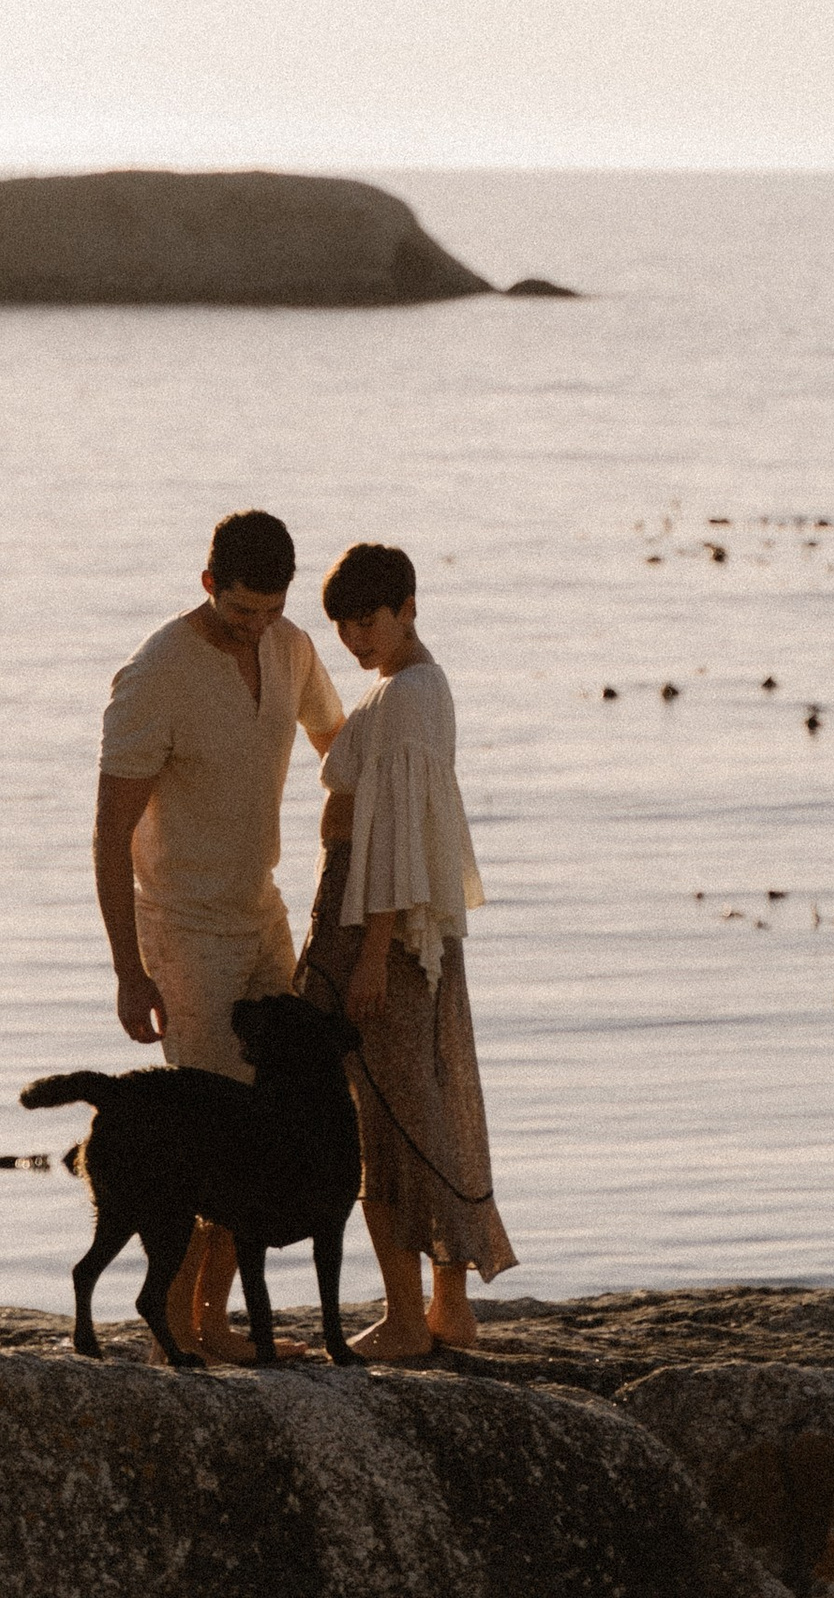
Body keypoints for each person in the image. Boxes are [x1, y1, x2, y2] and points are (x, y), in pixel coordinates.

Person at [93, 507, 344, 1361]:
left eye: (272, 611)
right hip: (186, 929)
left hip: (262, 913)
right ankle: (185, 1326)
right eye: (242, 613)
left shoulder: (292, 647)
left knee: (276, 1128)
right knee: (207, 1137)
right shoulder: (157, 672)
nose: (257, 628)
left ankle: (213, 1320)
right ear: (208, 586)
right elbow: (109, 832)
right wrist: (130, 972)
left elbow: (336, 747)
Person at [297, 539, 516, 1359]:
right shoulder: (403, 687)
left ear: (408, 608)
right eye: (344, 627)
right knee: (411, 1106)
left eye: (369, 622)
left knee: (385, 1117)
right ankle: (441, 1311)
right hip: (367, 918)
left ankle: (408, 1316)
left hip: (374, 927)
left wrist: (370, 951)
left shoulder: (409, 696)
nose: (356, 640)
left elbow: (394, 837)